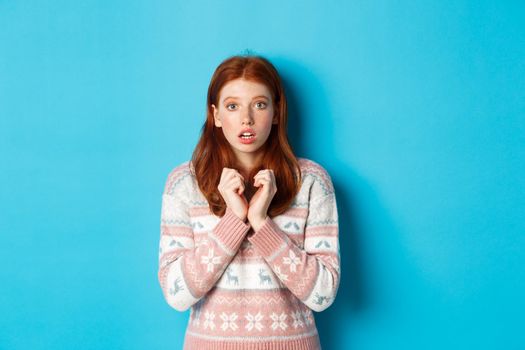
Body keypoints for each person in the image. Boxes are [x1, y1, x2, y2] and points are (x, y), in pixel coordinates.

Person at [158, 54, 340, 350]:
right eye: (232, 106)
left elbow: (322, 295)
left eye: (259, 104)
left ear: (277, 112)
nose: (247, 118)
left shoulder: (311, 181)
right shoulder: (183, 184)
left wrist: (261, 224)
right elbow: (176, 294)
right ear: (215, 115)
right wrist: (234, 220)